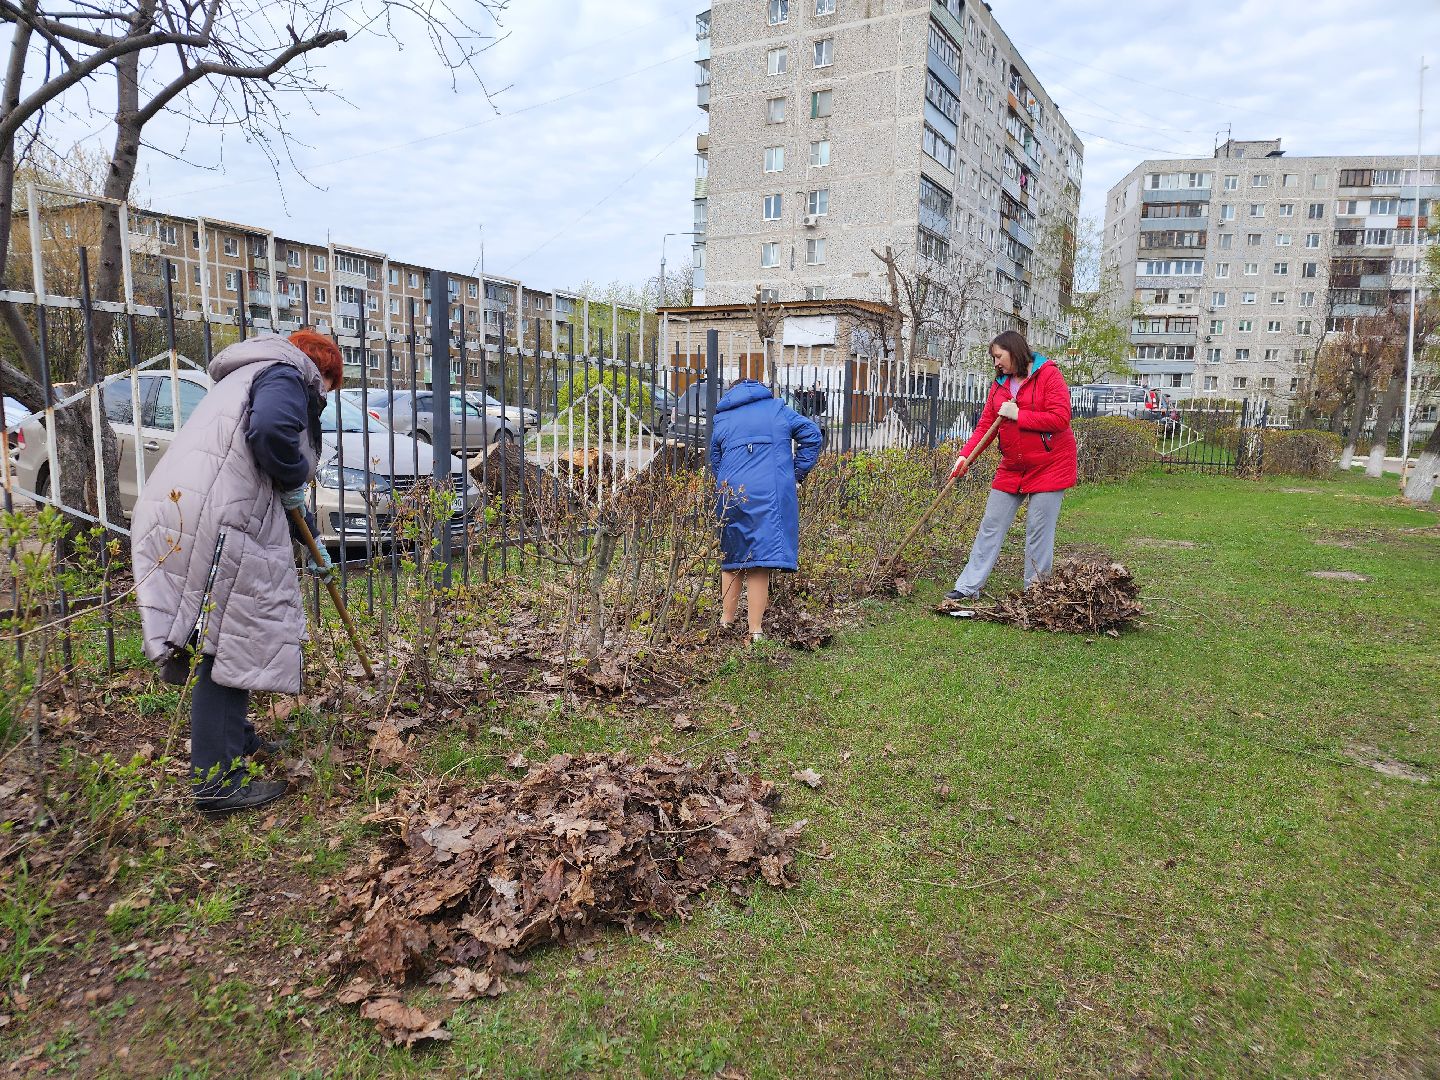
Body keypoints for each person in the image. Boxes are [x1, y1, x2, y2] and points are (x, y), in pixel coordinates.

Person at [132, 330, 343, 814]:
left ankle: (238, 740)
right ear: (323, 372)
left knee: (226, 633)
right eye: (331, 387)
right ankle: (216, 784)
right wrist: (293, 477)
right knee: (230, 639)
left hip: (188, 508)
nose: (327, 397)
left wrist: (304, 526)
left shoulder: (249, 373)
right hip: (219, 516)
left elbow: (256, 460)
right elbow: (270, 434)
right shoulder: (289, 376)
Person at [945, 329, 1077, 612]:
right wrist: (964, 456)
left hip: (1049, 465)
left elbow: (1060, 418)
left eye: (998, 356)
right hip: (1013, 466)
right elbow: (985, 426)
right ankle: (968, 587)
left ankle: (1037, 593)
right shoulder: (1001, 385)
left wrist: (1019, 415)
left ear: (1014, 351)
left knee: (1037, 531)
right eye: (993, 358)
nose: (995, 363)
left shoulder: (1048, 375)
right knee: (991, 525)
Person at [710, 378, 824, 641]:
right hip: (770, 491)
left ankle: (726, 623)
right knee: (759, 562)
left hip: (733, 492)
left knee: (732, 557)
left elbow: (715, 457)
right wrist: (794, 474)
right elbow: (812, 435)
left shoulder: (723, 417)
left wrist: (729, 481)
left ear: (732, 392)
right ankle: (755, 631)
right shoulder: (777, 408)